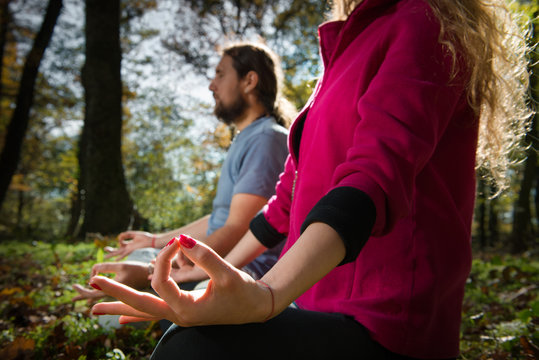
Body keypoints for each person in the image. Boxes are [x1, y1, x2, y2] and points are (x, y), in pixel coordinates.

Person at [88, 0, 531, 358]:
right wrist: (211, 279)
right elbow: (279, 210)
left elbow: (370, 181)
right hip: (311, 303)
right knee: (176, 322)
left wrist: (267, 295)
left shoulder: (425, 19)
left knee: (190, 351)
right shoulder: (341, 50)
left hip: (386, 326)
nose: (209, 85)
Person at [73, 41, 294, 301]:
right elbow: (220, 219)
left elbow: (237, 227)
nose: (212, 85)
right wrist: (155, 241)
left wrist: (153, 270)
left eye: (220, 74)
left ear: (249, 81)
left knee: (113, 313)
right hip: (215, 259)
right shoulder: (249, 137)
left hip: (244, 270)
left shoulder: (266, 139)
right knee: (137, 257)